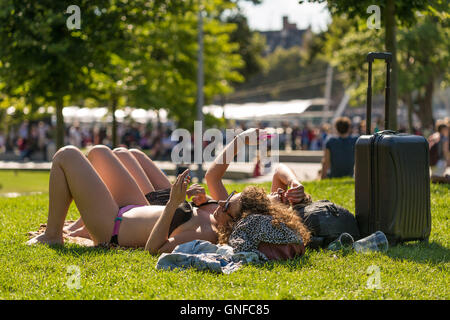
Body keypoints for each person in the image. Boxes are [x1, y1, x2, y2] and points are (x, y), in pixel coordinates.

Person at [28, 128, 311, 255]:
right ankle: (74, 228)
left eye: (227, 207)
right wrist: (241, 140)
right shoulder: (217, 215)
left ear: (239, 223)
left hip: (113, 226)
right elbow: (216, 178)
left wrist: (174, 203)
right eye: (227, 200)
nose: (222, 203)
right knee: (100, 152)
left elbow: (155, 248)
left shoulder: (206, 235)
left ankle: (53, 237)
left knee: (65, 155)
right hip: (132, 206)